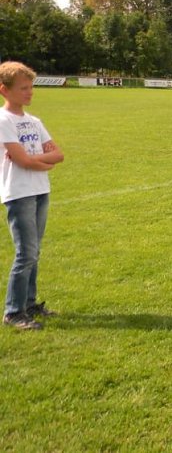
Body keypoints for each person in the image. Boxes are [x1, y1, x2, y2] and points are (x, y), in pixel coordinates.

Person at [0, 61, 64, 331]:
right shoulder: (4, 121)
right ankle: (14, 311)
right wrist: (41, 160)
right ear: (4, 90)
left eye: (31, 87)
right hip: (19, 193)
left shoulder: (34, 121)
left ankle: (29, 303)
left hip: (40, 190)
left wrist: (36, 160)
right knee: (26, 253)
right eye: (24, 88)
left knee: (34, 252)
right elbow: (22, 160)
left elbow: (58, 154)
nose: (30, 92)